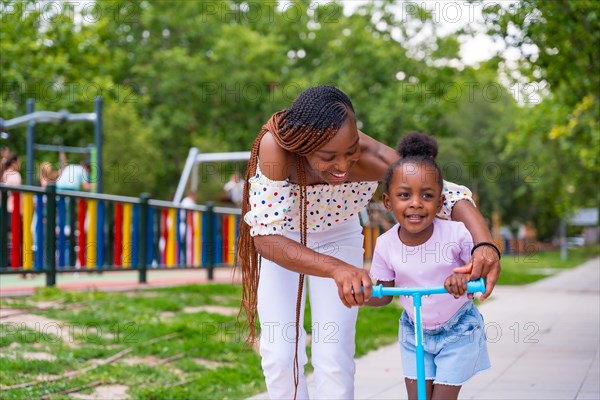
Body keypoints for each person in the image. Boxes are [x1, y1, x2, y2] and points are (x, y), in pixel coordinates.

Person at [237, 86, 500, 399]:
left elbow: (445, 193)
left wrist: (485, 245)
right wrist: (337, 270)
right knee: (280, 355)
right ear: (302, 145)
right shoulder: (275, 148)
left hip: (338, 234)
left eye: (351, 150)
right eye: (328, 157)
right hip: (283, 238)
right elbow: (265, 239)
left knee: (333, 355)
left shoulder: (373, 158)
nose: (343, 165)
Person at [367, 132, 491, 400]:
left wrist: (464, 281)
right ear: (388, 202)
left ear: (439, 203)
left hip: (458, 329)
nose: (415, 203)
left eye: (426, 195)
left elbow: (478, 272)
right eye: (404, 194)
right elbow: (383, 294)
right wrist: (363, 293)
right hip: (414, 331)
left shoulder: (456, 233)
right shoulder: (385, 244)